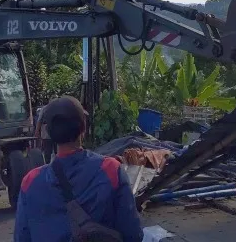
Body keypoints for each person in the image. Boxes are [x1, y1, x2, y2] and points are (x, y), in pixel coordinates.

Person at [14, 96, 144, 242]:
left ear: (49, 133)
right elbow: (133, 235)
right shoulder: (110, 170)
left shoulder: (30, 182)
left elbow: (21, 237)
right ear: (83, 128)